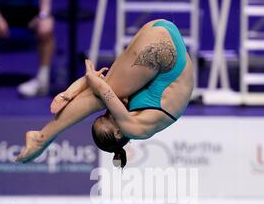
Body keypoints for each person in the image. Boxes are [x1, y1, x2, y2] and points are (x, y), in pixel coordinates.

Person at [16, 19, 194, 167]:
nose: (110, 112)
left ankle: (43, 136)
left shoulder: (133, 113)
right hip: (165, 48)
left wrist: (75, 89)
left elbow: (103, 85)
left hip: (162, 39)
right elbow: (103, 90)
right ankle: (41, 138)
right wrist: (82, 83)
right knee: (99, 97)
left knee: (102, 93)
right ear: (118, 133)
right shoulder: (135, 129)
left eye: (104, 116)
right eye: (107, 119)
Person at [0, 0, 54, 97]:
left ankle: (42, 80)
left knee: (46, 27)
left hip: (31, 14)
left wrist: (43, 16)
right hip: (2, 12)